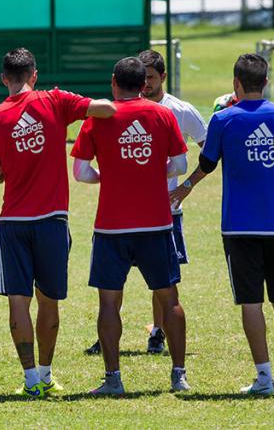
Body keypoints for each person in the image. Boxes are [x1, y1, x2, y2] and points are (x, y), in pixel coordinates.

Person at [0, 47, 116, 398]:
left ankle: (29, 381)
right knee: (49, 301)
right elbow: (106, 108)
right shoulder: (55, 100)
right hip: (53, 221)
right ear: (34, 75)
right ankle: (45, 373)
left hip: (13, 222)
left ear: (4, 79)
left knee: (17, 301)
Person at [71, 57, 190, 395]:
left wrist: (106, 175)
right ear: (144, 84)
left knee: (109, 304)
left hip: (111, 226)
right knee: (169, 299)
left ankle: (113, 380)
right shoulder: (162, 114)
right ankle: (179, 375)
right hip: (156, 224)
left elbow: (80, 172)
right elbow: (179, 163)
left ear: (113, 82)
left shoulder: (99, 117)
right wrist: (150, 172)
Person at [84, 50, 207, 356]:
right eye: (143, 77)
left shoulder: (179, 110)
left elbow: (209, 153)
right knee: (115, 282)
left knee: (161, 284)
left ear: (162, 77)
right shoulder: (112, 112)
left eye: (151, 77)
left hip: (164, 212)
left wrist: (188, 185)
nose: (147, 83)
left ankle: (158, 332)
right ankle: (108, 338)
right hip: (125, 213)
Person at [170, 54, 274, 395]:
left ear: (235, 84)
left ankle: (264, 378)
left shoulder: (223, 119)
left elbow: (207, 164)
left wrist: (184, 188)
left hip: (239, 227)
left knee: (251, 302)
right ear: (265, 83)